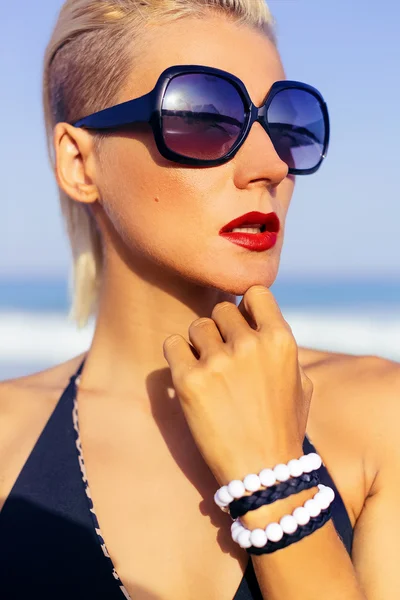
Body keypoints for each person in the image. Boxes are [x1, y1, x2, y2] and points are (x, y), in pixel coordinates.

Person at [0, 0, 399, 598]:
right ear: (80, 162)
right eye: (204, 117)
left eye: (288, 123)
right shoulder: (8, 441)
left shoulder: (381, 418)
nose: (270, 164)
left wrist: (275, 483)